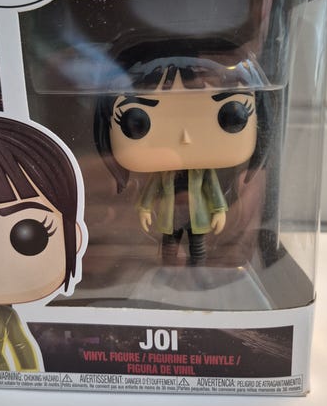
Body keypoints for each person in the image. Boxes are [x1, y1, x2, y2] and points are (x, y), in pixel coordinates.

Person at [95, 39, 274, 264]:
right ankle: (170, 264)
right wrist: (145, 208)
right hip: (169, 216)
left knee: (197, 245)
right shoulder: (163, 172)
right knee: (170, 244)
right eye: (137, 121)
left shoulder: (202, 171)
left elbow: (212, 189)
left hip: (197, 216)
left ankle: (197, 264)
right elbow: (151, 190)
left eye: (232, 116)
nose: (185, 138)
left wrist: (219, 209)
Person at [0, 115, 84, 371]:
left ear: (73, 236)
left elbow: (22, 347)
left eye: (28, 235)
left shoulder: (5, 315)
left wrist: (30, 374)